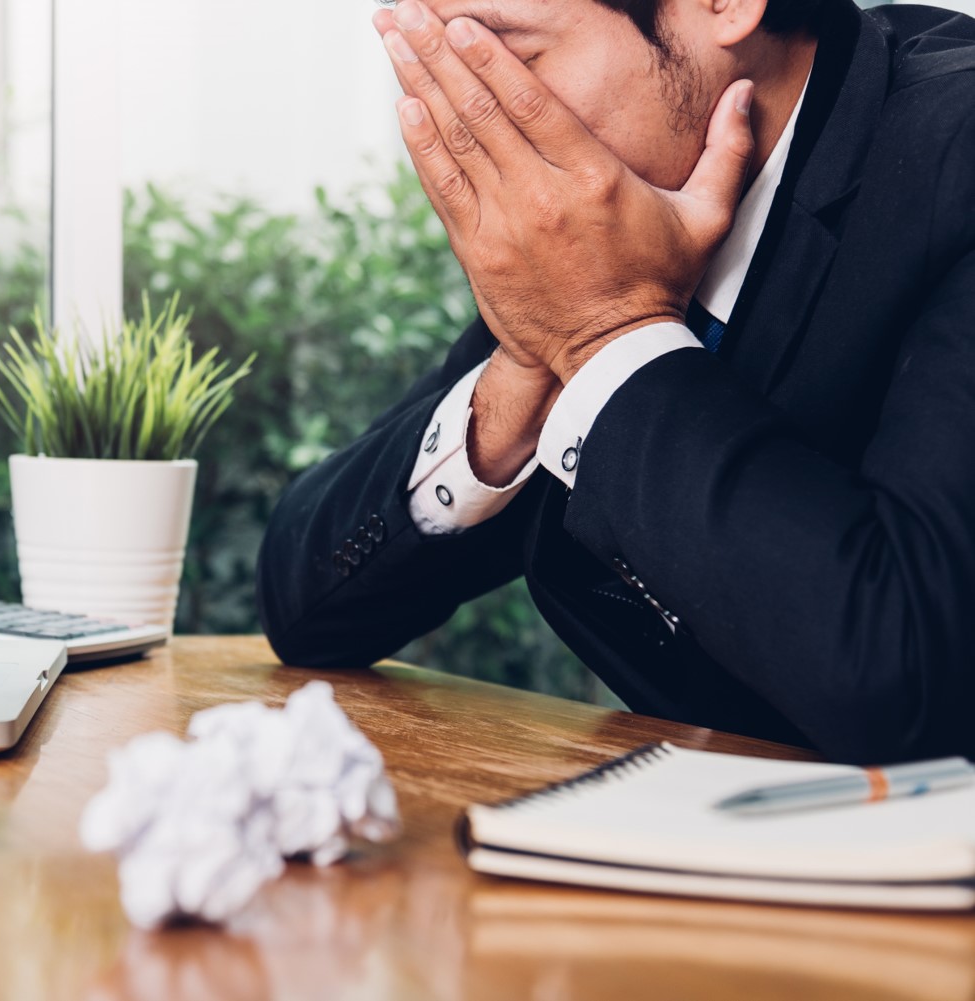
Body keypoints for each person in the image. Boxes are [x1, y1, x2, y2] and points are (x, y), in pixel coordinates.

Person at [255, 0, 975, 763]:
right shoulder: (611, 224)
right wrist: (532, 372)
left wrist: (608, 336)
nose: (474, 127)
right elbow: (303, 606)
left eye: (506, 59)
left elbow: (914, 682)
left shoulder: (951, 153)